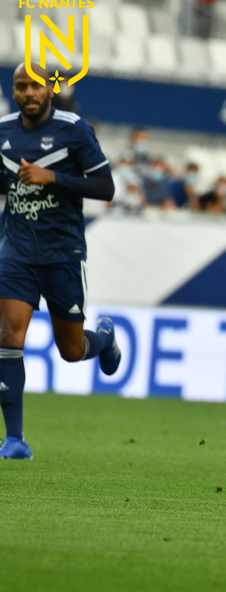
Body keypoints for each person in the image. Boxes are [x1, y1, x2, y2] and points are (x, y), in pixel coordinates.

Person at [0, 63, 120, 459]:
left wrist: (54, 179)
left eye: (34, 86)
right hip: (16, 250)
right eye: (20, 87)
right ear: (14, 93)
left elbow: (105, 188)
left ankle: (103, 340)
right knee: (8, 337)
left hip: (62, 252)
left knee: (70, 350)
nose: (28, 93)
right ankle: (14, 439)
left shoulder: (74, 129)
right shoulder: (3, 132)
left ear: (49, 90)